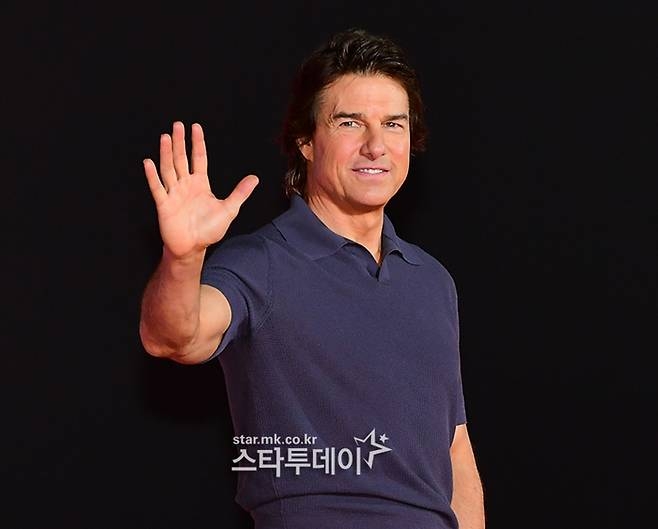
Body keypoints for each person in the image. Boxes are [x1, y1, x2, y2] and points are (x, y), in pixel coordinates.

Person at [139, 28, 485, 529]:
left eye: (394, 124)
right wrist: (183, 257)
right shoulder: (260, 263)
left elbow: (454, 446)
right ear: (305, 140)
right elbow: (174, 337)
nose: (376, 146)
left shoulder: (432, 281)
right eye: (350, 123)